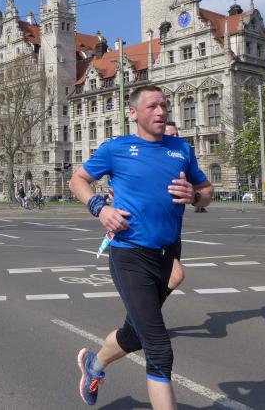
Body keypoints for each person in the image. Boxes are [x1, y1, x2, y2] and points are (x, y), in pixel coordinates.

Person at [69, 85, 213, 409]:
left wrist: (195, 196)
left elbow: (206, 191)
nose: (161, 111)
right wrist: (100, 209)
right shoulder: (116, 149)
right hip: (130, 254)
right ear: (133, 113)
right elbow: (77, 180)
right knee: (159, 348)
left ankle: (94, 364)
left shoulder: (181, 149)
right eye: (152, 106)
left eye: (164, 105)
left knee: (135, 334)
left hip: (168, 253)